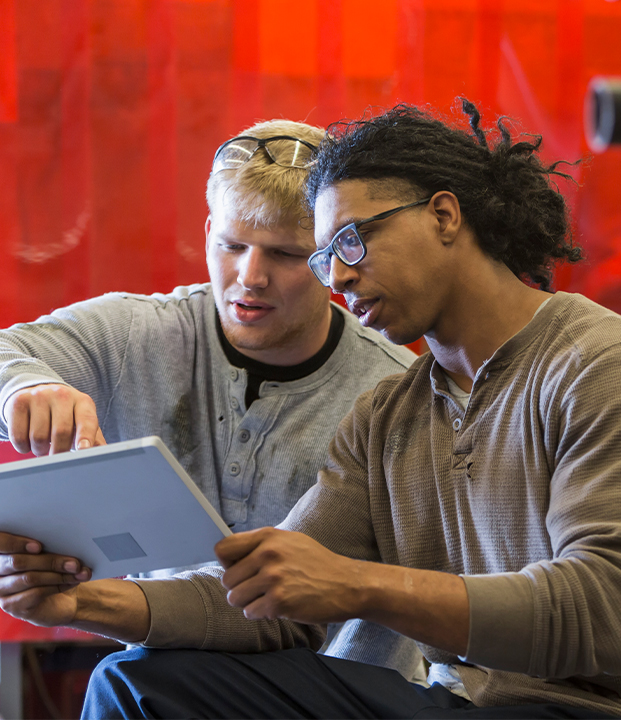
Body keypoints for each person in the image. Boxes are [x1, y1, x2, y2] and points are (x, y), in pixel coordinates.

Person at [1, 101, 621, 720]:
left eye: (349, 240)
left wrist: (354, 585)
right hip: (456, 704)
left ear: (443, 215)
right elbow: (269, 596)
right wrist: (81, 604)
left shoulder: (606, 366)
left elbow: (606, 617)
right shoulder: (391, 413)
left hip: (602, 712)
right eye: (323, 257)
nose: (338, 276)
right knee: (139, 684)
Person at [0, 119, 421, 675]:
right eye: (231, 245)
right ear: (206, 234)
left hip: (345, 690)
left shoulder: (395, 391)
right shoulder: (133, 336)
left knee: (125, 678)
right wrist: (22, 387)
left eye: (286, 255)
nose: (250, 276)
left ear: (332, 259)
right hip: (168, 670)